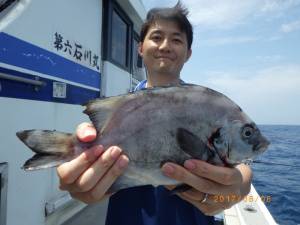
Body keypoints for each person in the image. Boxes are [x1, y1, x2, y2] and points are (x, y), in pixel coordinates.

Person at [57, 3, 252, 225]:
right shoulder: (120, 112)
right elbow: (96, 167)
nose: (166, 46)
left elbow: (240, 167)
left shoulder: (205, 110)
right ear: (140, 48)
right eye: (157, 37)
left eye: (176, 40)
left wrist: (241, 184)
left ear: (188, 54)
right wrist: (83, 183)